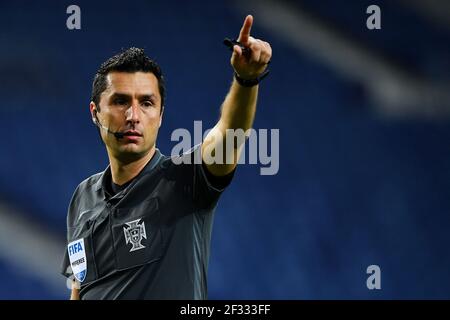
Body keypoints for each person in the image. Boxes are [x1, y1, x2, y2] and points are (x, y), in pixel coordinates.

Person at [60, 15, 272, 300]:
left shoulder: (184, 179)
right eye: (121, 101)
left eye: (146, 103)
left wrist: (246, 80)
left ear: (160, 116)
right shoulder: (82, 198)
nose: (133, 116)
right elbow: (79, 288)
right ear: (95, 112)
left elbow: (227, 136)